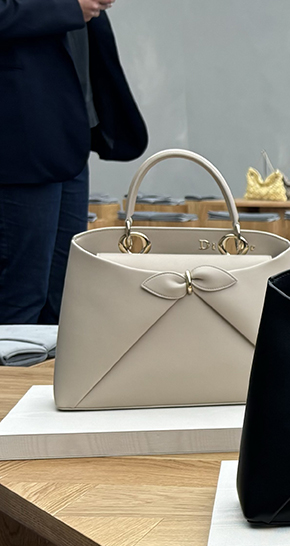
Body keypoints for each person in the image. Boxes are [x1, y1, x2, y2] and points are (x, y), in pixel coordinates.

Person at [0, 0, 146, 325]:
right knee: (20, 300)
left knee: (65, 301)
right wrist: (69, 7)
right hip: (21, 139)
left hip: (68, 132)